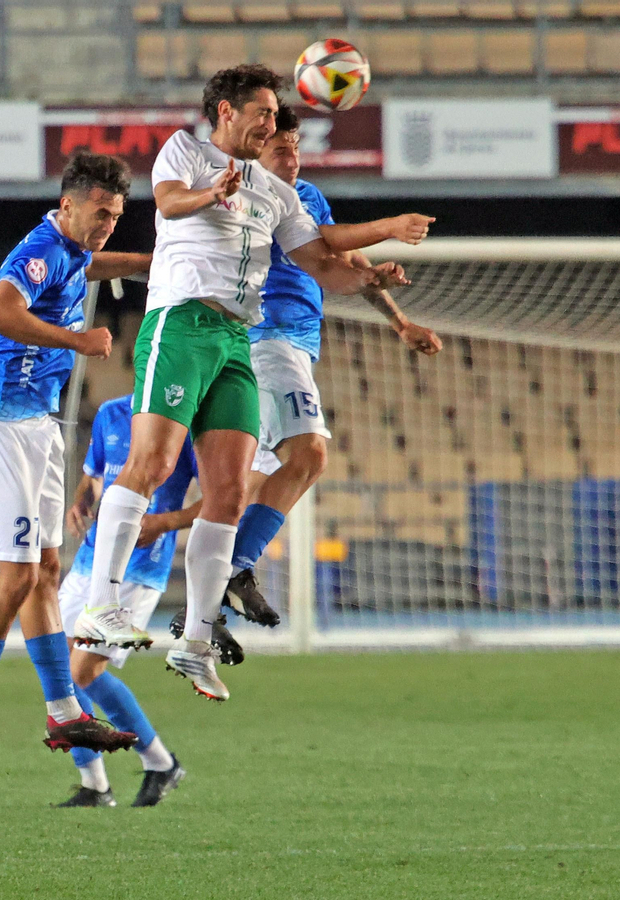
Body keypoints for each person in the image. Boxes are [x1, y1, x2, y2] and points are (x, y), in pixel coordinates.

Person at [72, 64, 410, 702]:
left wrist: (379, 258)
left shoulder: (277, 193)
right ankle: (99, 607)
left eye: (275, 114)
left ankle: (195, 641)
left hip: (235, 339)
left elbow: (319, 258)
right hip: (180, 324)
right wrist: (214, 192)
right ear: (225, 112)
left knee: (228, 493)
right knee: (151, 461)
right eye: (261, 111)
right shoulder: (187, 150)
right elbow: (170, 202)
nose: (271, 122)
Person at [171, 106, 442, 651]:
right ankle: (232, 573)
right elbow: (326, 245)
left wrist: (397, 317)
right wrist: (390, 227)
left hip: (288, 346)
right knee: (310, 457)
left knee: (244, 489)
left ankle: (200, 612)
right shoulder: (250, 194)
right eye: (280, 148)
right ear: (256, 149)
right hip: (268, 339)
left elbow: (343, 254)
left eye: (296, 147)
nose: (291, 158)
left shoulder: (305, 195)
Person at [0, 152, 154, 779]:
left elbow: (89, 263)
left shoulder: (73, 250)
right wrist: (80, 340)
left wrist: (144, 265)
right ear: (68, 205)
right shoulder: (37, 250)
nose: (107, 224)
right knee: (18, 576)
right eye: (99, 213)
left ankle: (63, 711)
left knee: (48, 570)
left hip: (37, 428)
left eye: (115, 216)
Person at [56, 394, 195, 808]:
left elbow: (226, 499)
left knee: (80, 671)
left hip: (140, 568)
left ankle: (150, 766)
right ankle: (104, 781)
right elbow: (95, 476)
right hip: (90, 559)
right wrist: (82, 499)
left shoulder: (187, 424)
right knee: (59, 667)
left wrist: (166, 522)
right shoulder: (110, 413)